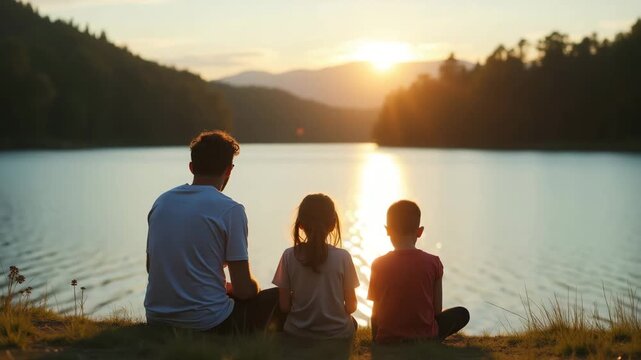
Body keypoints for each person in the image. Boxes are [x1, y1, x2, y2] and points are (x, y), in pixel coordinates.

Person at [144, 130, 283, 333]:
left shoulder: (162, 202)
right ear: (229, 170)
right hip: (208, 324)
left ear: (191, 167)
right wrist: (253, 287)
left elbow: (152, 267)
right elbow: (244, 290)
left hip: (156, 319)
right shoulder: (230, 210)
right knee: (284, 296)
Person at [367, 200, 469, 343]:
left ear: (387, 230)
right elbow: (437, 310)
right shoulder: (434, 263)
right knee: (462, 314)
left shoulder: (378, 264)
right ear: (420, 231)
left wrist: (377, 340)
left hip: (388, 338)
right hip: (426, 337)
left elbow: (375, 312)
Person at [272, 194, 360, 339]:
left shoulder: (288, 256)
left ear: (300, 225)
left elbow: (284, 307)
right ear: (332, 225)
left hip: (297, 332)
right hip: (338, 333)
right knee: (354, 323)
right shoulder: (343, 257)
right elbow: (351, 307)